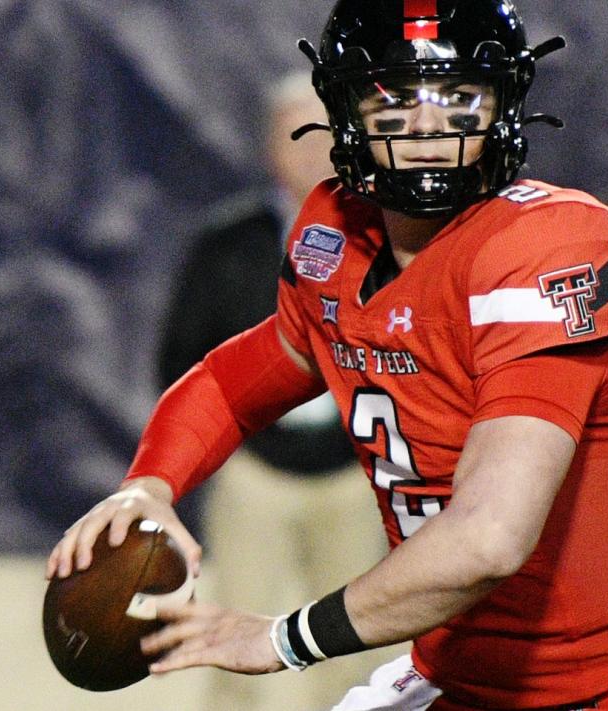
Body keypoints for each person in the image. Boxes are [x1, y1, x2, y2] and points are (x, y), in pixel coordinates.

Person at [48, 2, 608, 709]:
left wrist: (285, 637)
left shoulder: (544, 243)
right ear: (346, 113)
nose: (427, 127)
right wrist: (149, 484)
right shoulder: (334, 230)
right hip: (460, 672)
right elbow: (237, 377)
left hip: (607, 680)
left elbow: (489, 537)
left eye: (458, 95)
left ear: (504, 106)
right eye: (395, 100)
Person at [156, 70, 401, 711]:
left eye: (326, 133)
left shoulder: (388, 236)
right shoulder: (229, 242)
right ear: (269, 146)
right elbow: (183, 359)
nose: (314, 150)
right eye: (298, 135)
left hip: (358, 472)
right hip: (255, 474)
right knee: (231, 638)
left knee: (359, 647)